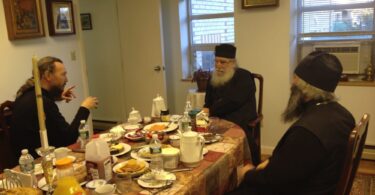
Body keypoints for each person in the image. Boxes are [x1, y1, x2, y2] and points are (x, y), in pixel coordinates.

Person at [227, 51, 355, 195]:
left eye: (295, 79)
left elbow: (274, 179)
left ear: (305, 89)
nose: (291, 84)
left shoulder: (307, 132)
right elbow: (294, 163)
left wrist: (247, 173)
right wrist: (271, 162)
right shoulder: (344, 115)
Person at [10, 56, 98, 158]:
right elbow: (69, 138)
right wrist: (85, 108)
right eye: (63, 74)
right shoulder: (44, 103)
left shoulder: (27, 94)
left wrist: (57, 97)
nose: (67, 79)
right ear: (48, 75)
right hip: (38, 162)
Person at [203, 44, 259, 163]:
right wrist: (205, 110)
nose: (218, 65)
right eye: (216, 61)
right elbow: (208, 101)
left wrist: (211, 110)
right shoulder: (213, 77)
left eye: (223, 62)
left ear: (233, 62)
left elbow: (234, 101)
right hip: (216, 116)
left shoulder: (244, 76)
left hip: (238, 117)